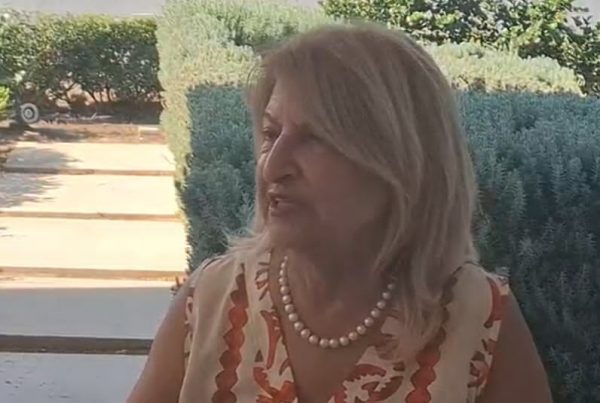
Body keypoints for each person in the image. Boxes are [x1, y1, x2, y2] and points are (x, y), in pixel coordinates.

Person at [128, 23, 552, 403]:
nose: (273, 167)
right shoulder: (211, 302)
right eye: (271, 133)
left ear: (399, 165)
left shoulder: (479, 320)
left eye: (315, 138)